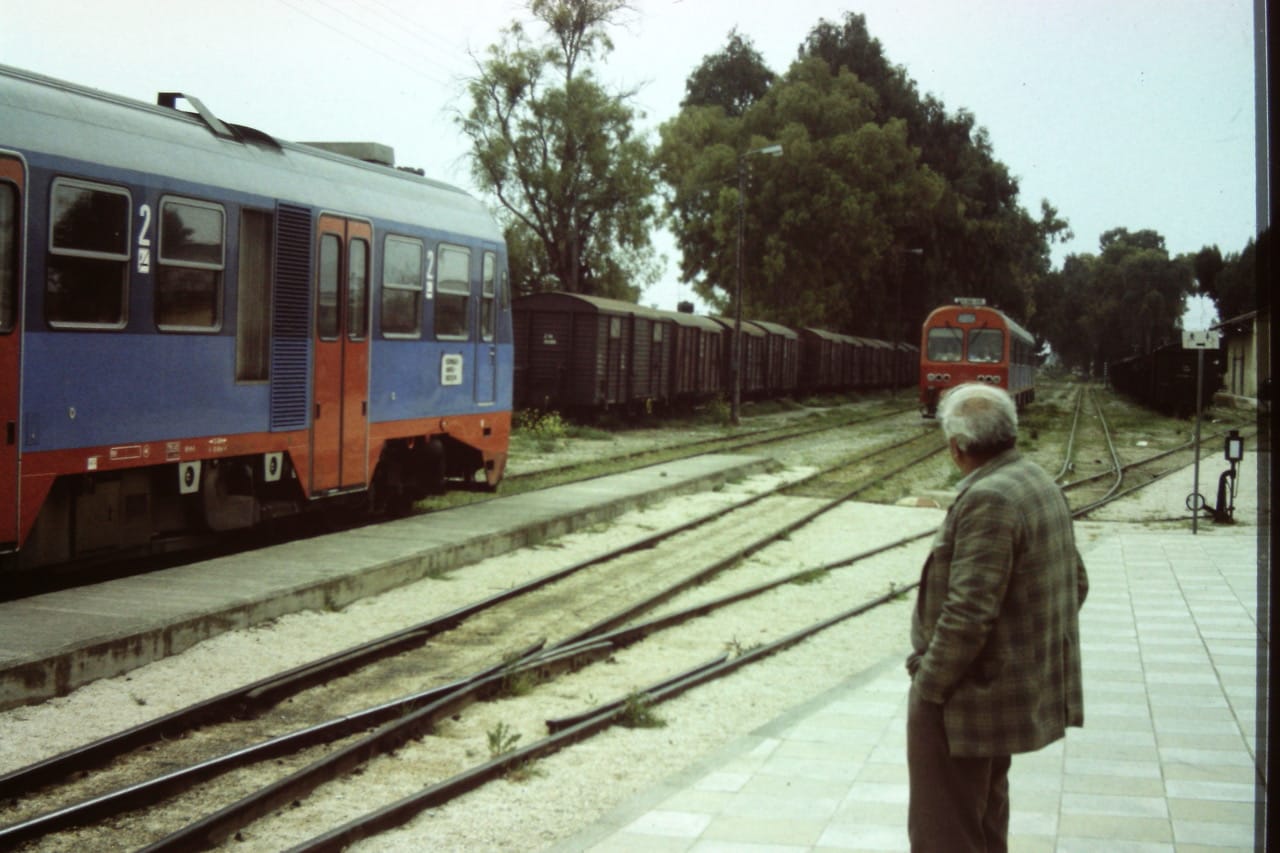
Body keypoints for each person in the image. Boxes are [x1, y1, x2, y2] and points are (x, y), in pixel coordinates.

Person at [906, 383, 1088, 852]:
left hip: (964, 698)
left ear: (956, 447)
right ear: (1011, 432)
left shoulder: (990, 499)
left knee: (944, 833)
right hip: (993, 694)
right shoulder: (1036, 480)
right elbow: (1077, 582)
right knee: (984, 822)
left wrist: (929, 686)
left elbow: (968, 614)